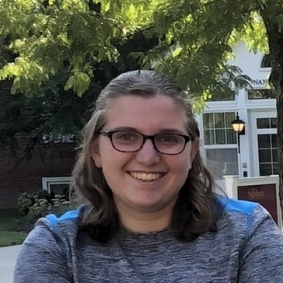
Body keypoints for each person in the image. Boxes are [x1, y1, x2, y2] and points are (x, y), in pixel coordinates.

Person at [14, 70, 283, 283]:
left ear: (192, 152)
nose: (148, 157)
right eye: (126, 136)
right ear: (96, 151)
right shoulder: (56, 248)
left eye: (168, 138)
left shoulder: (247, 233)